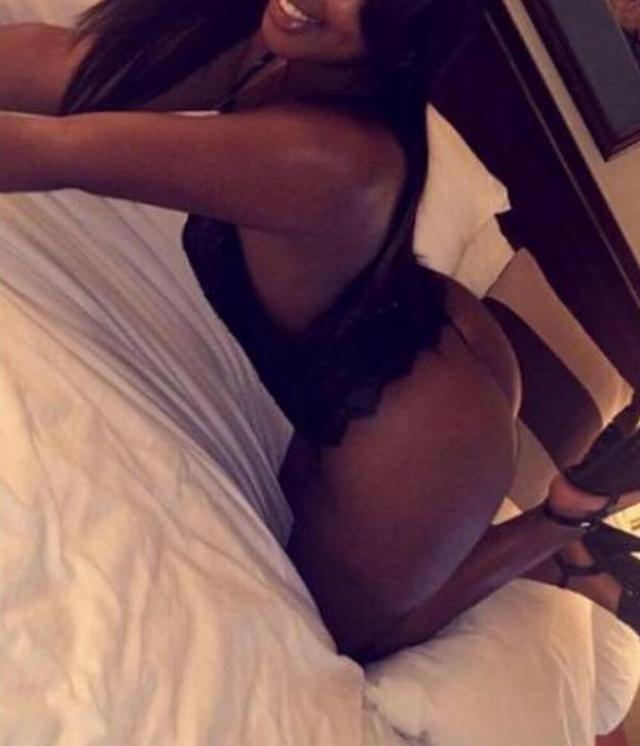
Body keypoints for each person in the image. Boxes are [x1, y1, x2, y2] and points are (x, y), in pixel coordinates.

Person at [0, 0, 639, 664]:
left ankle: (564, 518)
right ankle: (566, 527)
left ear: (403, 36)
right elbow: (69, 69)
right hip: (424, 327)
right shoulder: (279, 45)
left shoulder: (332, 161)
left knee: (359, 638)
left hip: (424, 435)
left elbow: (53, 151)